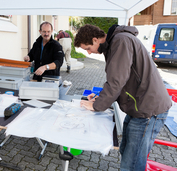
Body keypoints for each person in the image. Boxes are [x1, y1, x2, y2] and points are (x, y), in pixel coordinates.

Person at [74, 24, 172, 170]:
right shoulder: (116, 42)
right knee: (126, 150)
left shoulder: (120, 41)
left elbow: (116, 81)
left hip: (148, 109)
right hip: (139, 106)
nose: (88, 53)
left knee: (131, 163)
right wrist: (100, 95)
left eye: (87, 48)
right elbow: (123, 79)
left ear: (95, 40)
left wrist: (96, 106)